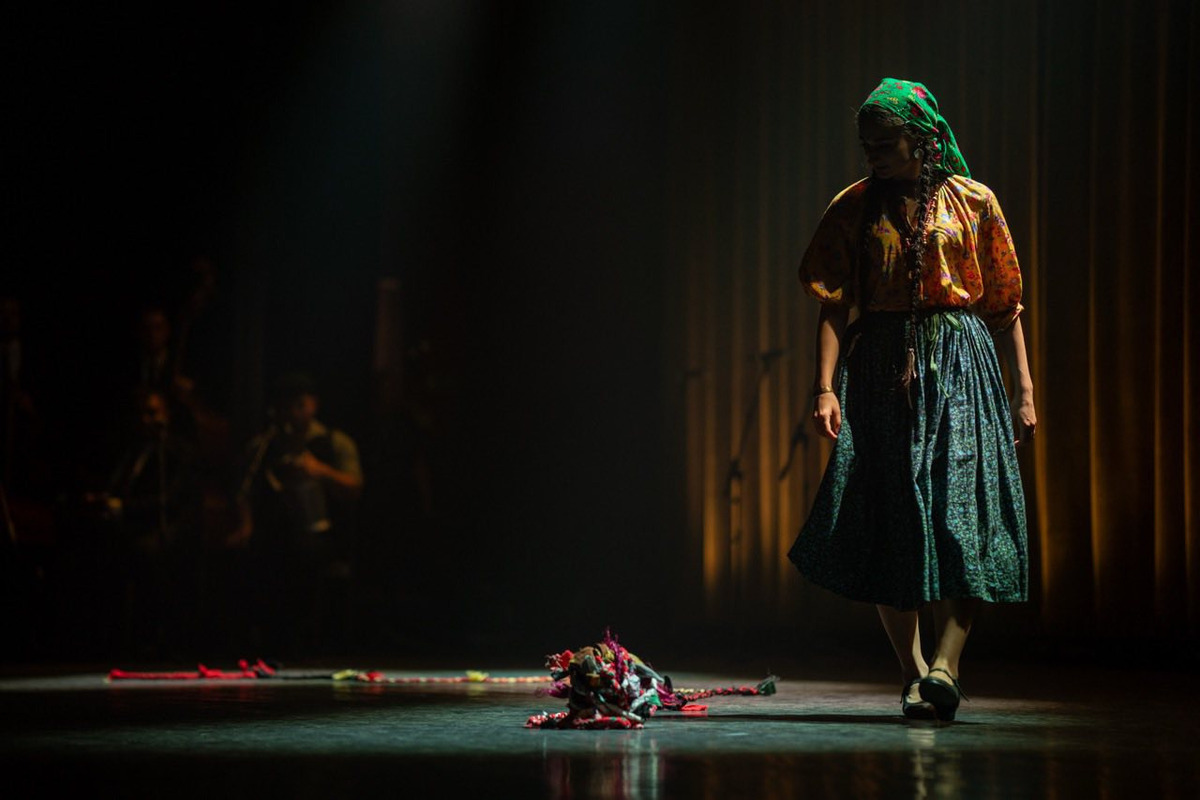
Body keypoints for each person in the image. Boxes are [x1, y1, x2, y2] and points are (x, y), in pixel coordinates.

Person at [788, 78, 1037, 721]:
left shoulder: (974, 203)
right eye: (865, 141)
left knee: (961, 515)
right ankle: (913, 671)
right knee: (894, 520)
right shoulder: (855, 207)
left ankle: (947, 667)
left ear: (922, 138)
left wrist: (1025, 391)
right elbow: (833, 303)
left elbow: (1005, 305)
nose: (873, 150)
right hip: (881, 370)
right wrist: (823, 387)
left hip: (960, 363)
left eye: (886, 140)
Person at [234, 372, 363, 657]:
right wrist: (246, 525)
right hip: (275, 535)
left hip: (322, 534)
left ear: (312, 404)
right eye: (285, 406)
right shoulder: (265, 445)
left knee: (304, 555)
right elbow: (244, 490)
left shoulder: (333, 442)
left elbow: (355, 487)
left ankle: (305, 641)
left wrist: (320, 471)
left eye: (299, 405)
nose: (291, 413)